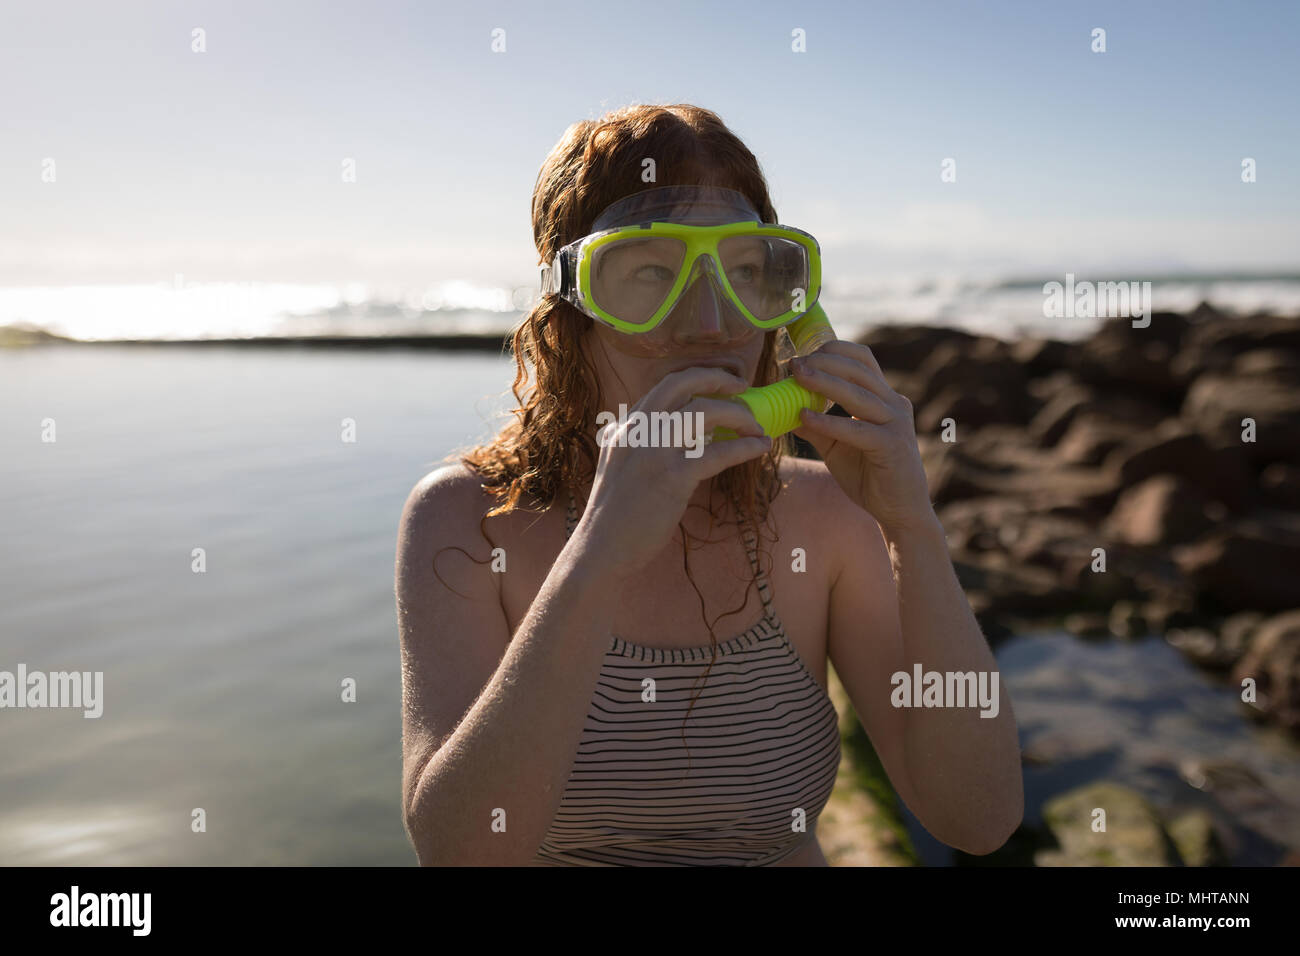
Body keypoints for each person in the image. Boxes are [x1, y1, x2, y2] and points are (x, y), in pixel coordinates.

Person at [396, 103, 1023, 866]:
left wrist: (913, 531)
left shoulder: (829, 515)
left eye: (748, 272)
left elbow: (979, 817)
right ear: (569, 309)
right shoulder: (468, 521)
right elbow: (460, 852)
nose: (711, 322)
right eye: (653, 272)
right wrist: (595, 559)